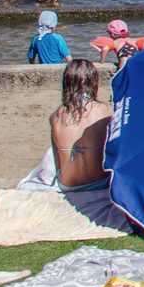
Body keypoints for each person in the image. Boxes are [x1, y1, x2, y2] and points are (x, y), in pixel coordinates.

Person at [49, 58, 110, 192]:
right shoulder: (104, 110)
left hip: (68, 185)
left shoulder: (55, 117)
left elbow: (57, 163)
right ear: (93, 81)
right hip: (102, 181)